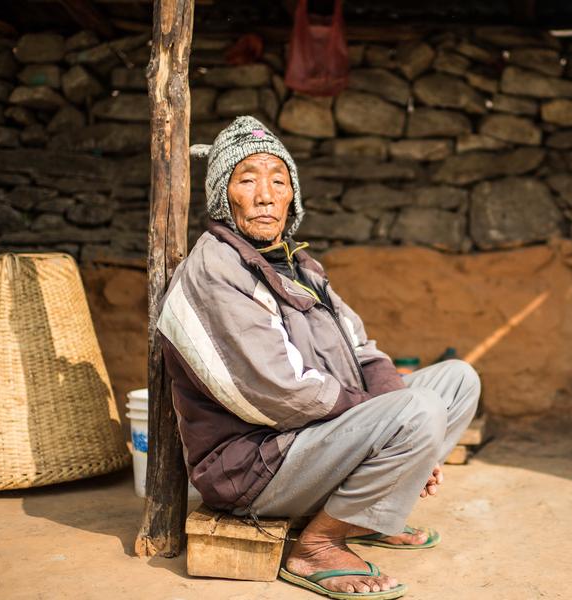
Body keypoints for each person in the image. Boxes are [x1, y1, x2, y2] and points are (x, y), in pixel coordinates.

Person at [157, 115, 479, 599]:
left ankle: (373, 511)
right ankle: (319, 546)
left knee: (457, 381)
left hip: (314, 438)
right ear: (224, 195)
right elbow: (276, 392)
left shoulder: (300, 264)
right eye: (247, 179)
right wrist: (400, 428)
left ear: (293, 196)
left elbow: (363, 349)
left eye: (278, 180)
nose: (265, 194)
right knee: (417, 413)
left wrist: (413, 444)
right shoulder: (214, 268)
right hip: (253, 464)